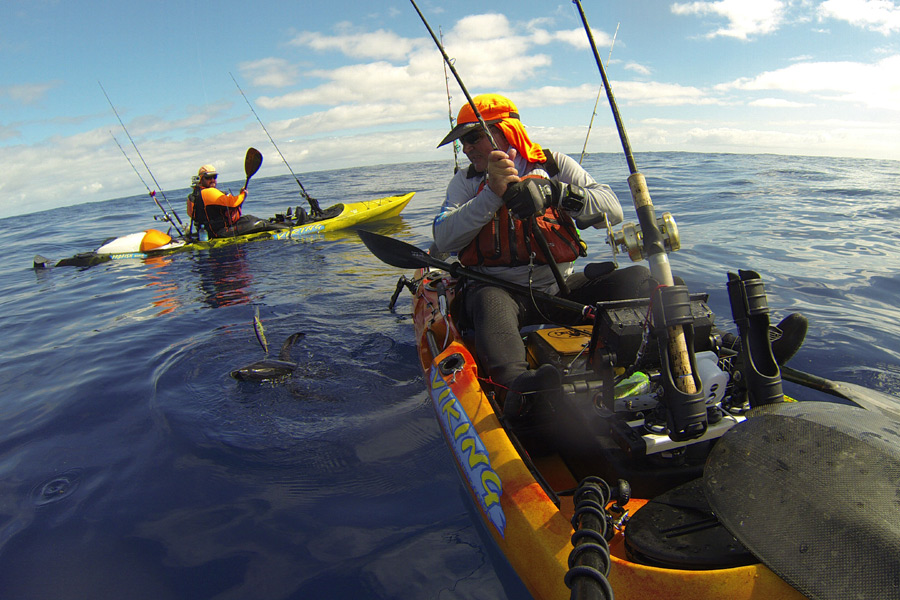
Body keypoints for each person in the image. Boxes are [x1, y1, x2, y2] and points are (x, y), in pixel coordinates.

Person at [432, 93, 654, 415]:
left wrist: (556, 192)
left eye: (471, 137)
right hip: (500, 291)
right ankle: (522, 392)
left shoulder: (554, 165)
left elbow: (613, 209)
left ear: (504, 131)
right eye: (463, 141)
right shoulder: (465, 182)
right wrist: (492, 195)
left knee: (639, 279)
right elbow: (443, 236)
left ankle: (652, 358)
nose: (466, 148)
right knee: (488, 300)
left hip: (559, 291)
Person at [187, 164, 287, 239]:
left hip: (209, 233)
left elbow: (193, 214)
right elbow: (233, 203)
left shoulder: (193, 196)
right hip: (221, 232)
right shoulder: (208, 192)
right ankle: (288, 228)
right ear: (201, 179)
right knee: (255, 222)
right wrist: (243, 195)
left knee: (248, 218)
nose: (213, 180)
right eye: (208, 177)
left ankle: (281, 223)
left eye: (214, 177)